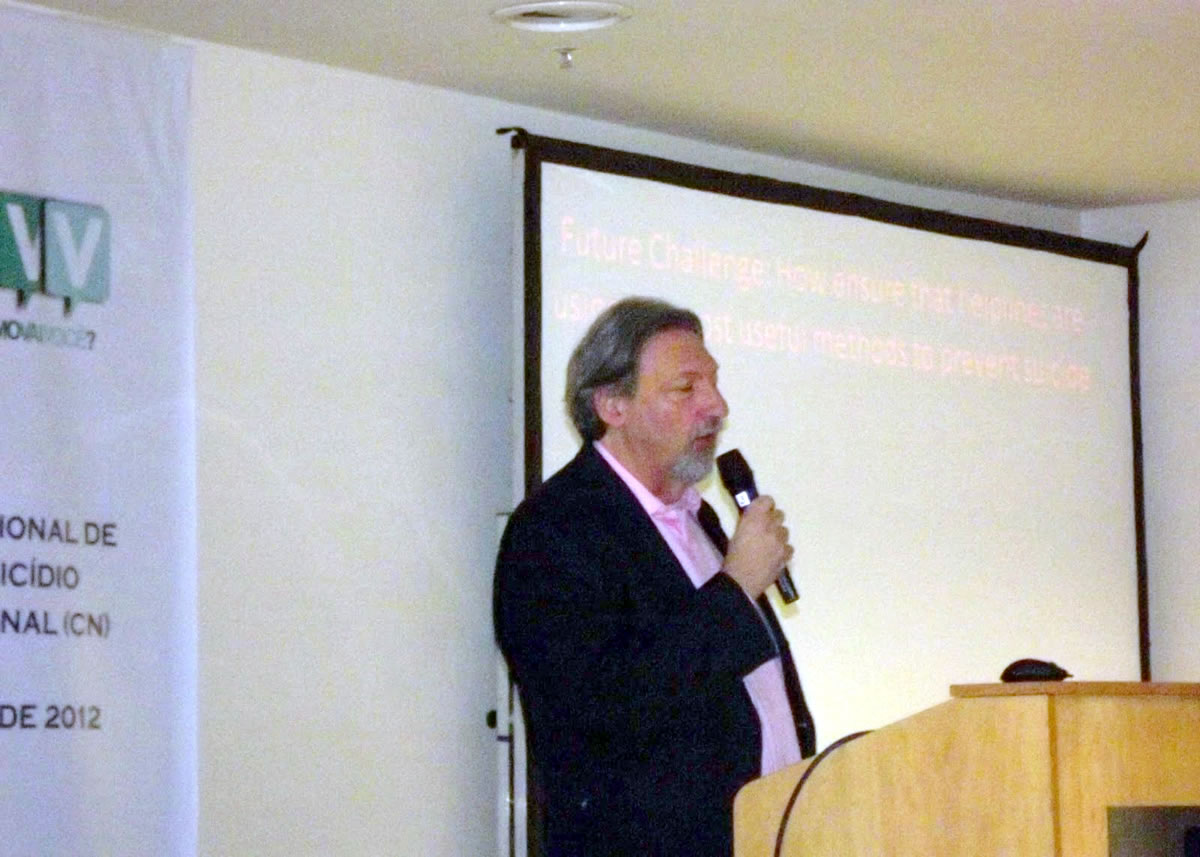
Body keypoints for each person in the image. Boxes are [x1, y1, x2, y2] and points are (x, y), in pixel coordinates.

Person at [494, 297, 816, 857]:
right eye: (686, 388)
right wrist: (737, 588)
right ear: (612, 404)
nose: (717, 406)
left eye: (713, 383)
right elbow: (599, 710)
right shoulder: (555, 529)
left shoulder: (699, 519)